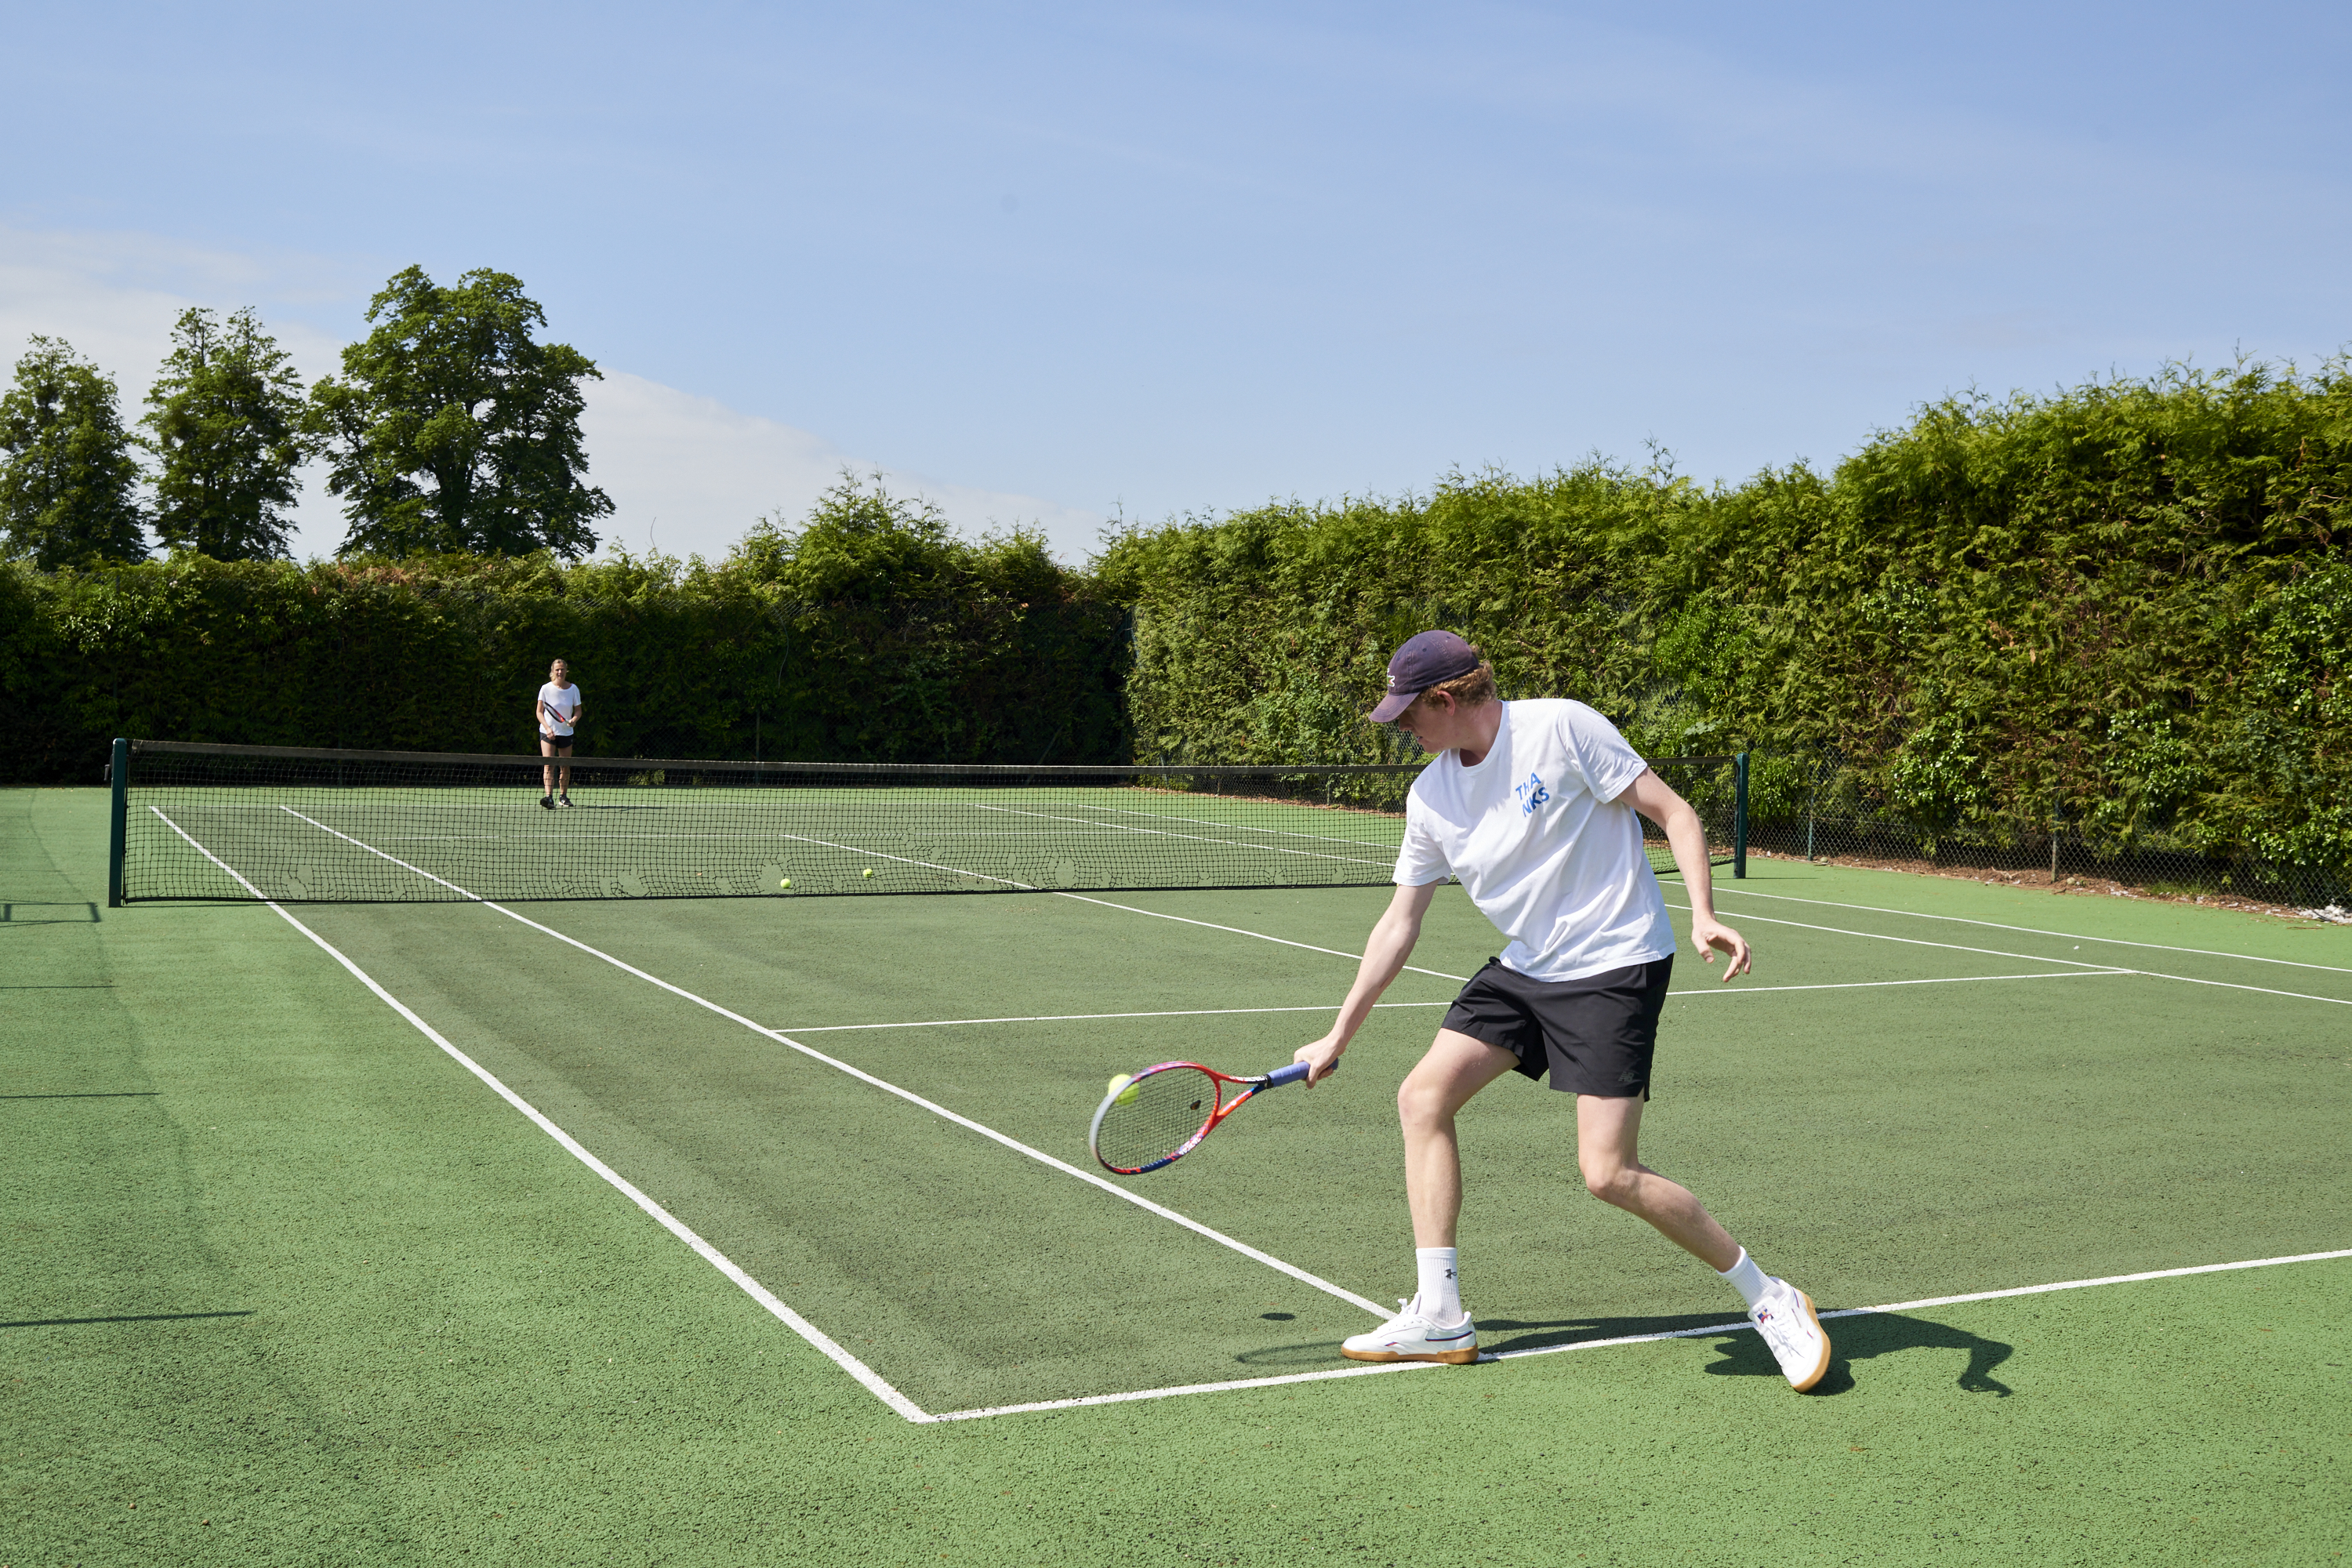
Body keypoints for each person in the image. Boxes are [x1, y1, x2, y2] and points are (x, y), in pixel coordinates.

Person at [1293, 630, 1830, 1392]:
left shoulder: (1562, 728)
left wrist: (1702, 912)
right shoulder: (1430, 797)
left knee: (1608, 1172)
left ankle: (1770, 1297)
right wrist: (1338, 1033)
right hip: (1529, 964)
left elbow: (1674, 812)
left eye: (1408, 714)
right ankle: (1441, 1312)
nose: (1403, 730)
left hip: (1617, 960)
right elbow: (1399, 922)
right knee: (1422, 1095)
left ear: (1446, 700)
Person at [536, 659, 583, 808]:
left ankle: (563, 797)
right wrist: (548, 728)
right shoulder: (545, 689)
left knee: (565, 767)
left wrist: (574, 720)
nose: (560, 672)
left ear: (566, 670)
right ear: (553, 671)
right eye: (557, 670)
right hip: (547, 733)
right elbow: (539, 712)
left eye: (562, 669)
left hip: (566, 733)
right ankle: (548, 797)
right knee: (549, 765)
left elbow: (578, 710)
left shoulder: (573, 689)